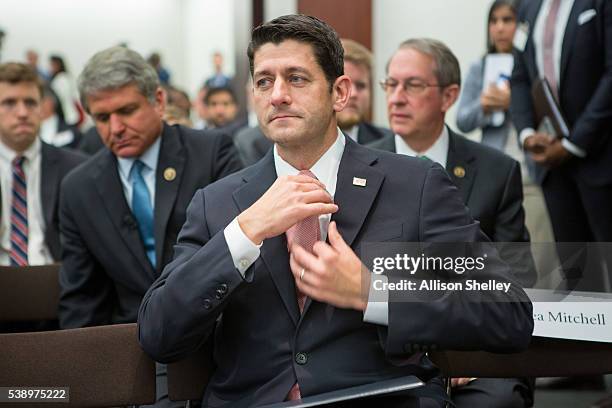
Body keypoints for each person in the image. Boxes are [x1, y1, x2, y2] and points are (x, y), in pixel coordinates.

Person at [138, 15, 533, 407]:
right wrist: (244, 233)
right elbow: (159, 334)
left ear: (339, 93)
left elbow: (509, 314)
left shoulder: (416, 184)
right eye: (264, 81)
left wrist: (372, 293)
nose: (277, 95)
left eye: (296, 78)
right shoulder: (219, 203)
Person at [369, 37, 534, 408]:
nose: (395, 97)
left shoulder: (497, 171)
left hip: (478, 351)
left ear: (449, 96)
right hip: (386, 352)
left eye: (412, 85)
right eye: (390, 84)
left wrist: (468, 353)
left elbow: (517, 277)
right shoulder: (359, 167)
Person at [58, 46, 242, 328]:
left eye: (127, 111)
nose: (116, 128)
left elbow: (235, 256)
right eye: (103, 118)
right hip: (127, 345)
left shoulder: (212, 154)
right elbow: (82, 299)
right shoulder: (78, 189)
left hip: (214, 334)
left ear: (158, 100)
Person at [510, 0, 612, 294]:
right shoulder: (528, 7)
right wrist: (528, 134)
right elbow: (519, 76)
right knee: (578, 276)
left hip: (600, 158)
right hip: (551, 165)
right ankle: (586, 340)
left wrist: (574, 142)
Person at [233, 37, 391, 166]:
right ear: (337, 89)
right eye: (264, 82)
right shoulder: (255, 143)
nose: (353, 94)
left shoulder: (388, 142)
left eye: (361, 86)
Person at [0, 62, 86, 267]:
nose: (22, 113)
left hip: (56, 281)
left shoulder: (76, 169)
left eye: (30, 103)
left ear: (42, 108)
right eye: (9, 103)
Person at [48, 55, 82, 127]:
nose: (51, 67)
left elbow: (62, 98)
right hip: (68, 115)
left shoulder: (61, 79)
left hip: (67, 116)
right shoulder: (62, 78)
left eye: (53, 64)